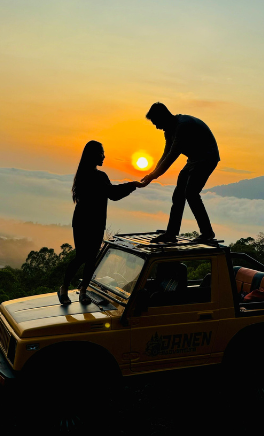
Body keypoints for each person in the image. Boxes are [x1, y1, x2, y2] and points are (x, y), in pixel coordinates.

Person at [58, 140, 140, 305]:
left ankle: (76, 290)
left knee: (85, 257)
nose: (104, 155)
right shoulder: (96, 176)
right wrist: (133, 185)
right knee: (85, 257)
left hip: (85, 222)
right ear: (94, 155)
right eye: (101, 152)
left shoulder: (84, 175)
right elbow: (113, 194)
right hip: (89, 223)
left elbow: (111, 193)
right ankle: (70, 289)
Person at [140, 102, 220, 243]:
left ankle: (207, 233)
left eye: (156, 123)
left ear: (163, 117)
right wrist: (152, 173)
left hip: (207, 157)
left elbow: (172, 156)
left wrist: (153, 176)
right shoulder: (169, 131)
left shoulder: (182, 126)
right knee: (178, 194)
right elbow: (165, 154)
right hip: (194, 159)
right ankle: (171, 233)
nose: (157, 127)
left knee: (191, 193)